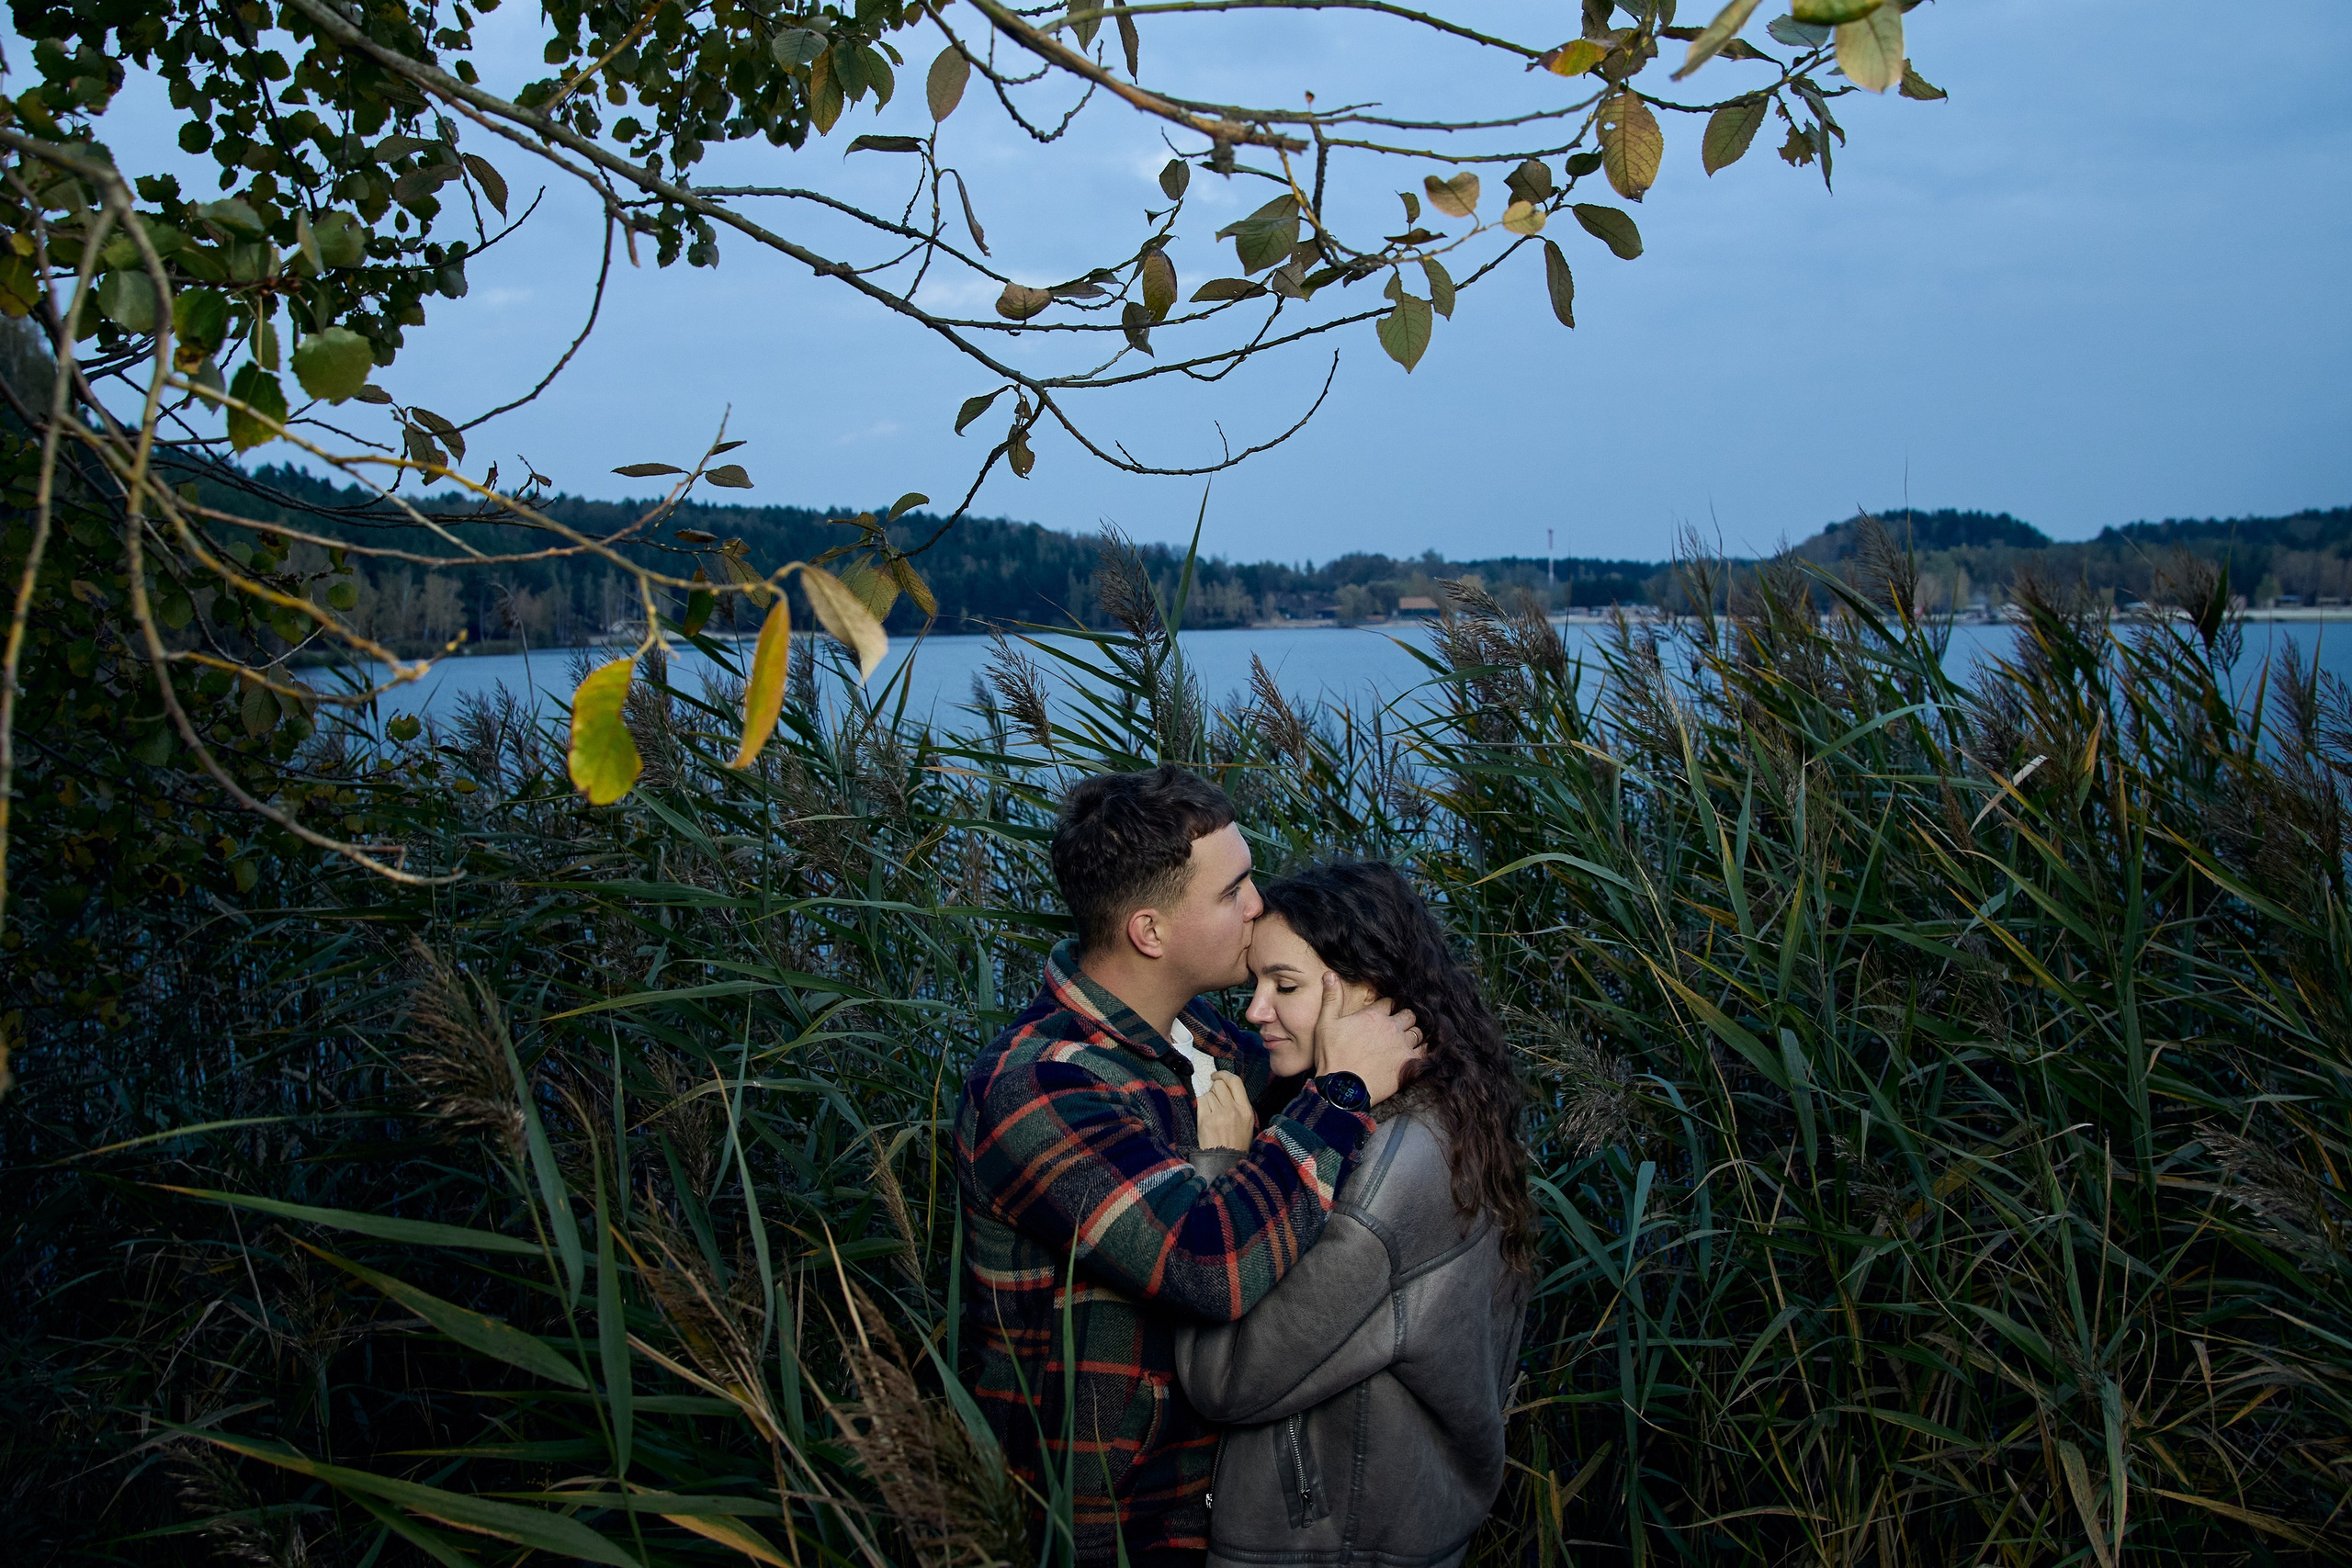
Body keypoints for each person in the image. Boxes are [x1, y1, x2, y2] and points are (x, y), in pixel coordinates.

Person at [955, 767, 1427, 1568]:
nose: (1257, 904)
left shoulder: (1212, 1037)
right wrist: (1342, 1091)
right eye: (1232, 890)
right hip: (1108, 1528)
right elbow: (1211, 1265)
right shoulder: (1040, 1085)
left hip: (1232, 1504)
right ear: (1150, 931)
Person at [1175, 861, 1533, 1568]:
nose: (1255, 1009)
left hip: (1325, 1547)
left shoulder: (1389, 1175)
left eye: (1285, 985)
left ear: (1365, 992)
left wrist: (1219, 1168)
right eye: (1255, 984)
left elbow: (1223, 1378)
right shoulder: (1447, 1116)